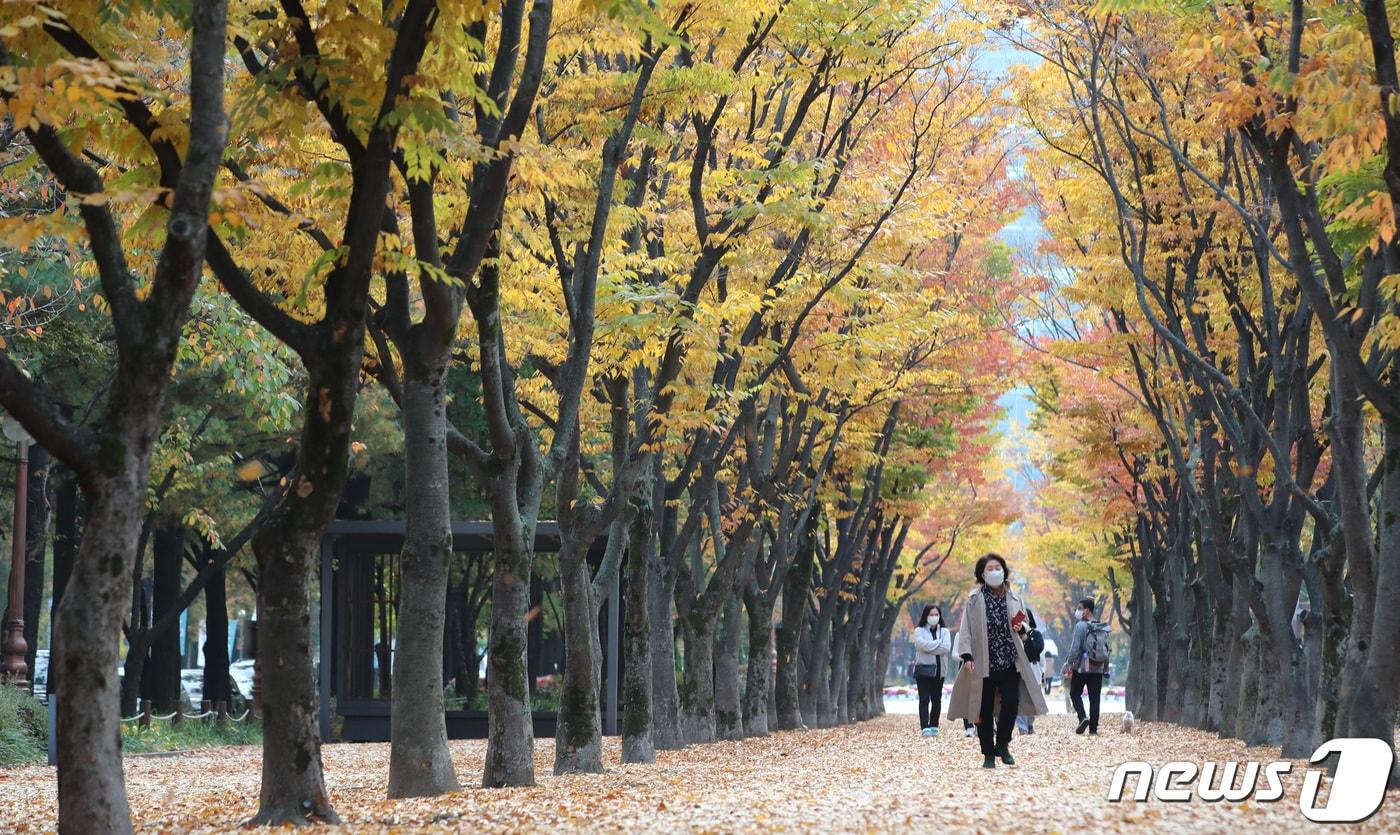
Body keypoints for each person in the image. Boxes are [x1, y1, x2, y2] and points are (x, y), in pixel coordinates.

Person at [947, 554, 1048, 768]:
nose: (994, 571)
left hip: (1010, 660)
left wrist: (1023, 629)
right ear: (982, 574)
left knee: (1011, 702)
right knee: (982, 710)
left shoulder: (1014, 598)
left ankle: (1003, 743)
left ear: (1004, 570)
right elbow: (966, 630)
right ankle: (988, 754)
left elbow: (1026, 627)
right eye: (989, 568)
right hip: (983, 662)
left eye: (997, 567)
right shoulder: (974, 599)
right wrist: (967, 655)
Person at [1063, 597, 1110, 735]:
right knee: (1095, 698)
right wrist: (1105, 666)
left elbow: (1075, 648)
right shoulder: (1101, 626)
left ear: (1086, 610)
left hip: (1082, 667)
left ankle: (1082, 717)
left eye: (1079, 608)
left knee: (1074, 693)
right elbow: (1107, 649)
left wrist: (1068, 664)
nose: (1077, 611)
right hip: (1098, 668)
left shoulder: (1080, 626)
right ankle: (1093, 730)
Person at [911, 604, 951, 736]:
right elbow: (920, 645)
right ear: (926, 616)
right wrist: (937, 644)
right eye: (931, 614)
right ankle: (925, 727)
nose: (934, 617)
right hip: (924, 670)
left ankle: (934, 725)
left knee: (936, 699)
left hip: (940, 671)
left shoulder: (944, 632)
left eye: (936, 615)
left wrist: (929, 647)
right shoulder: (919, 631)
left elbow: (946, 648)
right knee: (924, 699)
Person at [1015, 607, 1043, 735]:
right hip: (1019, 668)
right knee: (1020, 698)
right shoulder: (1015, 636)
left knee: (1032, 698)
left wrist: (1027, 639)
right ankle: (1022, 727)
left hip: (1033, 668)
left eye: (1025, 617)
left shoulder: (1036, 635)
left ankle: (1030, 723)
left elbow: (1037, 650)